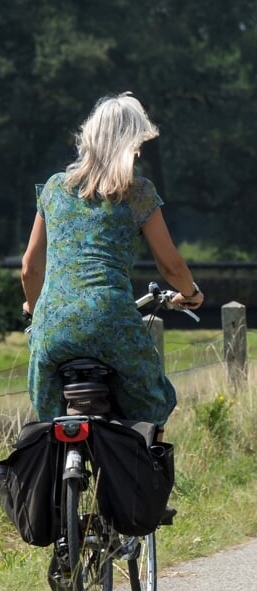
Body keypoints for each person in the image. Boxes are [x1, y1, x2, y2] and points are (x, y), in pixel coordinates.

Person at [20, 93, 202, 423]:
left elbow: (30, 268)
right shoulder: (138, 192)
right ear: (131, 143)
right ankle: (141, 466)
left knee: (48, 417)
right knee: (155, 402)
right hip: (111, 320)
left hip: (52, 326)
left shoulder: (54, 188)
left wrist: (35, 314)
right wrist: (190, 294)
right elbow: (170, 264)